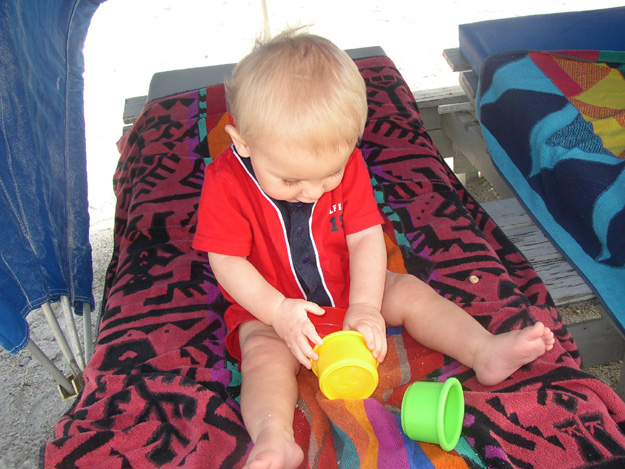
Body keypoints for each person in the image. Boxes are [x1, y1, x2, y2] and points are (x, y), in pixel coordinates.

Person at [192, 29, 555, 469]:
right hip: (270, 309)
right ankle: (275, 437)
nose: (312, 191)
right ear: (243, 142)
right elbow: (226, 261)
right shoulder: (226, 183)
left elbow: (364, 237)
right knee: (262, 356)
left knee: (413, 294)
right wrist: (277, 311)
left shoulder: (349, 165)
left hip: (349, 288)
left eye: (328, 176)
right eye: (290, 181)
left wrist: (364, 306)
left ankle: (483, 350)